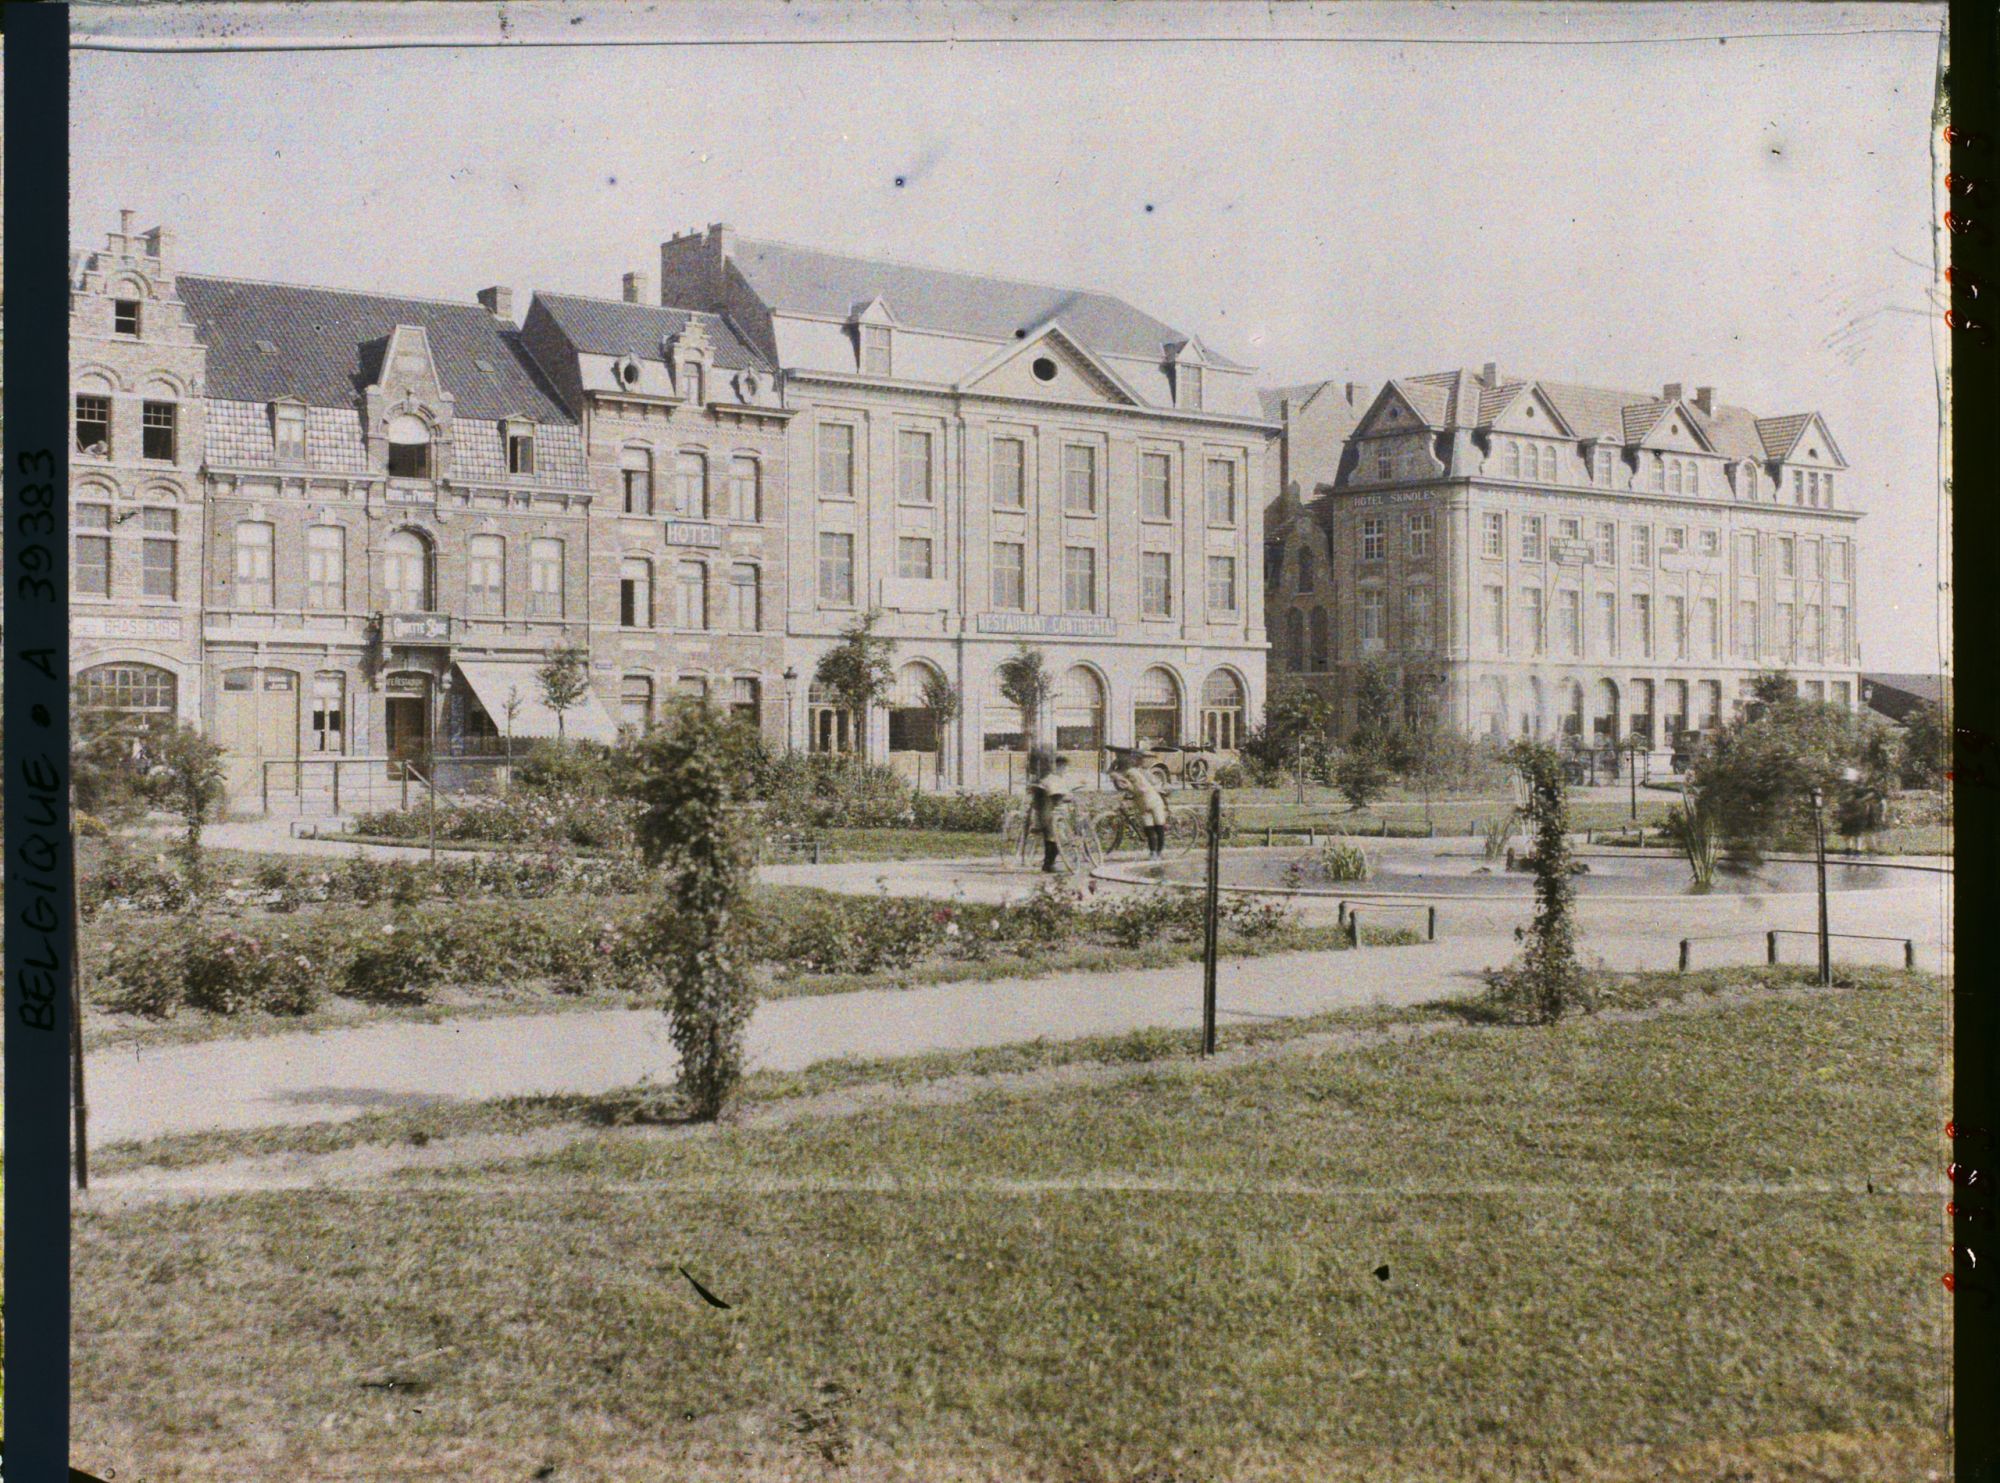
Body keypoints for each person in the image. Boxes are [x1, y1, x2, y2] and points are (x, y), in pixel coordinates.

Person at [1109, 747, 1169, 860]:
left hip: (1152, 800)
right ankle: (1153, 852)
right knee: (1149, 828)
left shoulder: (1135, 773)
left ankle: (1158, 852)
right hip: (1143, 802)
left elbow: (1140, 788)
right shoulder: (1130, 772)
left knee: (1158, 826)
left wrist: (1130, 789)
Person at [1026, 747, 1073, 873]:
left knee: (1050, 838)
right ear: (1059, 766)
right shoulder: (1053, 780)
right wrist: (1068, 798)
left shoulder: (1045, 779)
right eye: (1064, 767)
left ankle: (1048, 863)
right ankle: (1049, 864)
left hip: (1043, 813)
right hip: (1053, 813)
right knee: (1056, 838)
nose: (1065, 770)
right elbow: (1056, 797)